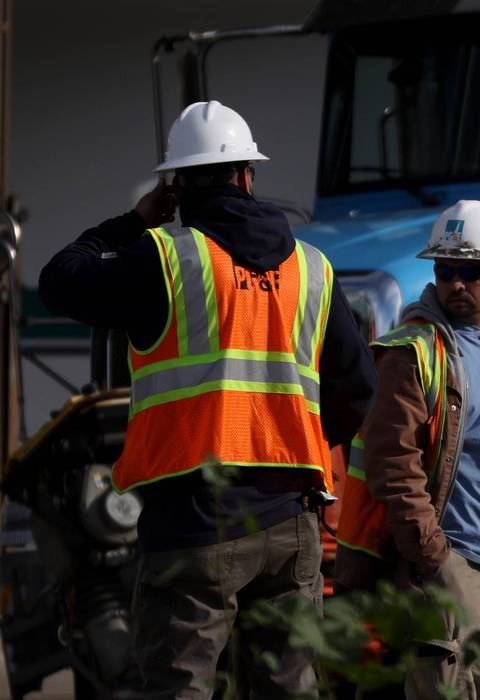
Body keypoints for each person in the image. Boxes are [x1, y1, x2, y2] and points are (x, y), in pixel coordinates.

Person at [38, 100, 377, 698]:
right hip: (290, 519)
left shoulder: (163, 258)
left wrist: (132, 222)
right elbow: (357, 392)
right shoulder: (314, 269)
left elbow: (61, 278)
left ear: (176, 186)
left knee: (178, 689)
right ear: (249, 176)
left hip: (193, 523)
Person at [334, 200, 480, 700]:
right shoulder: (410, 351)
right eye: (446, 270)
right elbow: (392, 465)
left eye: (471, 270)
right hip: (448, 560)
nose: (456, 282)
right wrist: (432, 554)